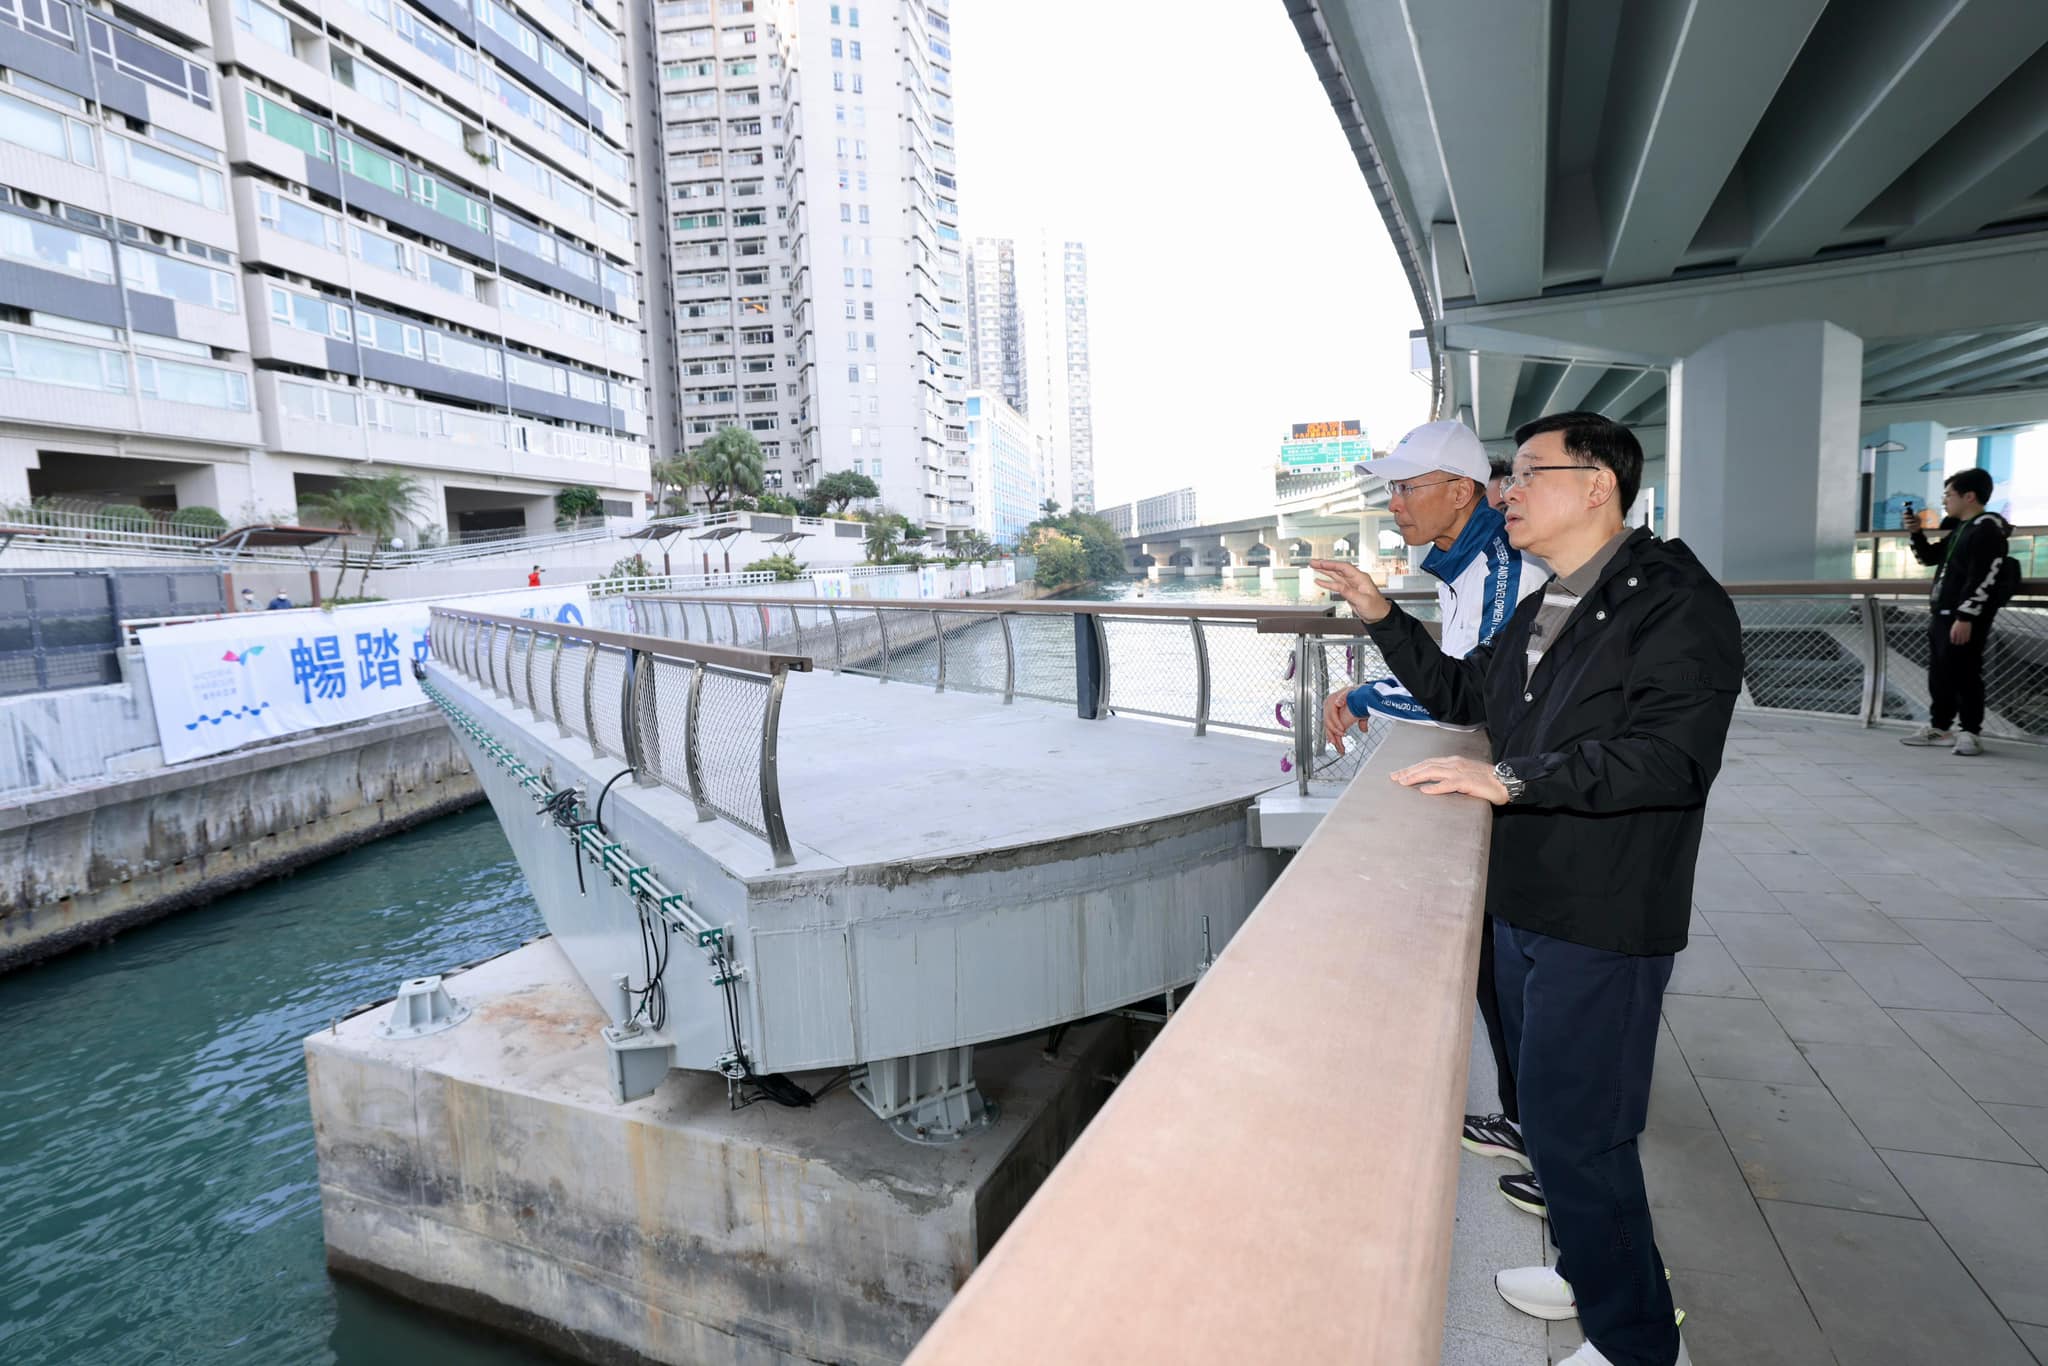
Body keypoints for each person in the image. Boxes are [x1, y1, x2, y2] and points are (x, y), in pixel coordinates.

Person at [1311, 410, 1742, 1366]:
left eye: (1530, 473)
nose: (1506, 491)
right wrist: (1381, 616)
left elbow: (1672, 759)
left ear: (1597, 486)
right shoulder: (1557, 599)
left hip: (1604, 910)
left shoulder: (1676, 602)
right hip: (1529, 895)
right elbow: (1469, 696)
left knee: (1586, 1134)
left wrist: (1511, 778)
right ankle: (1590, 1273)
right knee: (1546, 1118)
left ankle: (1636, 1344)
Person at [1322, 420, 1549, 1200]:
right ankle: (1524, 1122)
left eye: (1405, 488)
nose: (1393, 504)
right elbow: (1457, 678)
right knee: (1500, 978)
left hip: (1527, 799)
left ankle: (1547, 1148)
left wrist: (1362, 693)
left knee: (1522, 985)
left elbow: (1467, 699)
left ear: (1458, 492)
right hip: (1512, 787)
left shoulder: (1502, 570)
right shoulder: (1468, 564)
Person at [1900, 469, 2011, 757]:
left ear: (1969, 496)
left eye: (1949, 495)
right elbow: (1928, 558)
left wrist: (1966, 616)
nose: (1944, 500)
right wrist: (1916, 533)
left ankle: (1970, 732)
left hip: (1963, 617)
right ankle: (1940, 727)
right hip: (1943, 611)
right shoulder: (1963, 528)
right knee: (1940, 673)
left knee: (1965, 672)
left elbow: (1984, 576)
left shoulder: (1987, 529)